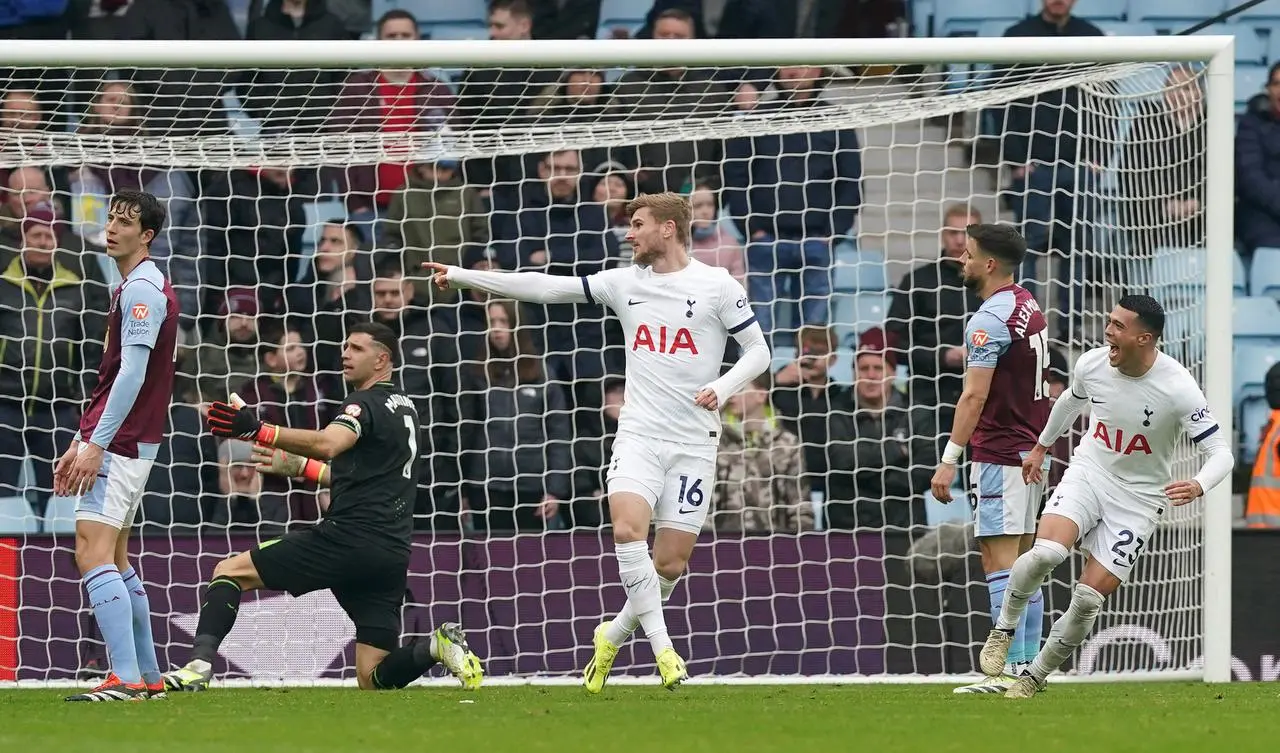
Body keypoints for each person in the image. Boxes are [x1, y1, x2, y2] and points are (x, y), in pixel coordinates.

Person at [423, 191, 770, 691]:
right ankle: (664, 650)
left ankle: (614, 632)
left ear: (668, 229)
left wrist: (722, 386)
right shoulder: (622, 282)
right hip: (639, 435)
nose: (628, 234)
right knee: (628, 532)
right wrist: (463, 276)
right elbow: (543, 288)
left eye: (637, 224)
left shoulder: (717, 286)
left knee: (669, 564)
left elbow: (758, 352)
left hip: (695, 443)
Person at [161, 322, 484, 693]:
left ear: (382, 359)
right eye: (345, 346)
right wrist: (302, 469)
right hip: (390, 553)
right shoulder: (406, 408)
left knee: (229, 571)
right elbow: (364, 474)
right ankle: (434, 646)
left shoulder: (363, 404)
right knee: (372, 677)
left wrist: (259, 429)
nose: (345, 354)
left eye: (357, 349)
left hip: (346, 540)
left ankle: (197, 667)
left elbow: (330, 442)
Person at [979, 295, 1234, 698]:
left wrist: (1199, 483)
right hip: (1089, 474)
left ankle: (1034, 677)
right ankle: (1004, 628)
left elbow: (1222, 452)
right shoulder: (1093, 363)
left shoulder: (1179, 387)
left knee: (1086, 600)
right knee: (1046, 553)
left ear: (1145, 338)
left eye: (1118, 326)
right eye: (1109, 322)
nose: (1108, 332)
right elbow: (1069, 402)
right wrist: (1042, 447)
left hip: (1139, 500)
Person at [57, 190, 179, 702]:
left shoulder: (144, 290)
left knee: (92, 551)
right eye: (109, 218)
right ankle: (148, 675)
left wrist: (96, 445)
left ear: (145, 235)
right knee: (119, 558)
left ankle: (124, 678)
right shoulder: (137, 284)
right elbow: (117, 378)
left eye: (124, 222)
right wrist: (84, 436)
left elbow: (132, 374)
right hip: (125, 438)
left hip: (123, 442)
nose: (110, 228)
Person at [928, 223, 1052, 694]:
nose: (962, 259)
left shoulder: (988, 319)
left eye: (969, 253)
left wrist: (949, 459)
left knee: (1000, 563)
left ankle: (1004, 674)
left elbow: (973, 397)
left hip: (1001, 452)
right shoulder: (1028, 304)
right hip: (1031, 450)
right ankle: (1028, 674)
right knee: (1024, 564)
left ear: (990, 264)